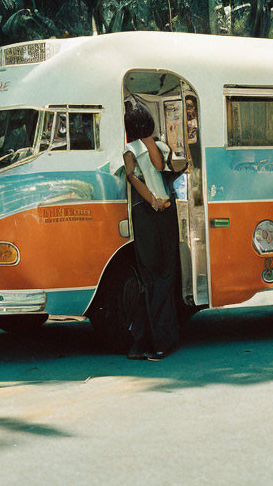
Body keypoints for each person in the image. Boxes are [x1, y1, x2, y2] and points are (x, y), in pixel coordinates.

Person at [123, 106, 184, 360]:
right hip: (163, 214)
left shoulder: (129, 151)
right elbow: (160, 167)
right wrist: (155, 201)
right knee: (164, 276)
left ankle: (143, 343)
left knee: (148, 279)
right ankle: (162, 342)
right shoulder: (158, 147)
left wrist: (149, 201)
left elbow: (131, 176)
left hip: (144, 216)